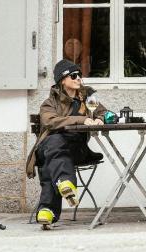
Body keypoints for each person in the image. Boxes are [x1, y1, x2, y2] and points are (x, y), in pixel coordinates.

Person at [25, 59, 106, 228]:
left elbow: (105, 112)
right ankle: (65, 183)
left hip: (77, 149)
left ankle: (48, 209)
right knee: (55, 142)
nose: (79, 79)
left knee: (51, 159)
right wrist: (83, 120)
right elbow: (50, 122)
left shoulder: (88, 98)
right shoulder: (50, 103)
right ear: (62, 80)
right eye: (74, 75)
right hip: (51, 147)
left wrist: (100, 118)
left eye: (80, 75)